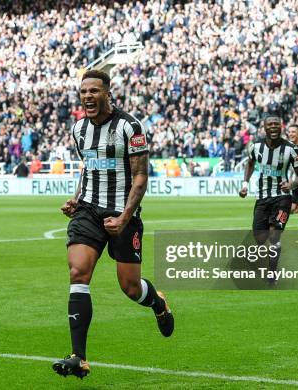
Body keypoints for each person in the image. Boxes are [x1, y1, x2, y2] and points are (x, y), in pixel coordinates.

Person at [52, 70, 174, 379]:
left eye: (94, 90)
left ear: (108, 93)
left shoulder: (130, 127)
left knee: (130, 288)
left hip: (123, 213)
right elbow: (88, 168)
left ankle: (157, 302)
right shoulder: (78, 129)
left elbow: (141, 176)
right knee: (78, 271)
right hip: (89, 212)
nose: (88, 96)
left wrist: (125, 217)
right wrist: (77, 198)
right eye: (83, 92)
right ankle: (79, 357)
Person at [239, 112, 298, 286]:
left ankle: (272, 275)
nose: (273, 126)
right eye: (270, 124)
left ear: (281, 127)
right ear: (264, 127)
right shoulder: (255, 146)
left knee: (275, 236)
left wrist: (290, 185)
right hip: (262, 197)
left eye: (277, 124)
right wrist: (245, 184)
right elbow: (251, 163)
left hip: (282, 198)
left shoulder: (291, 149)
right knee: (259, 237)